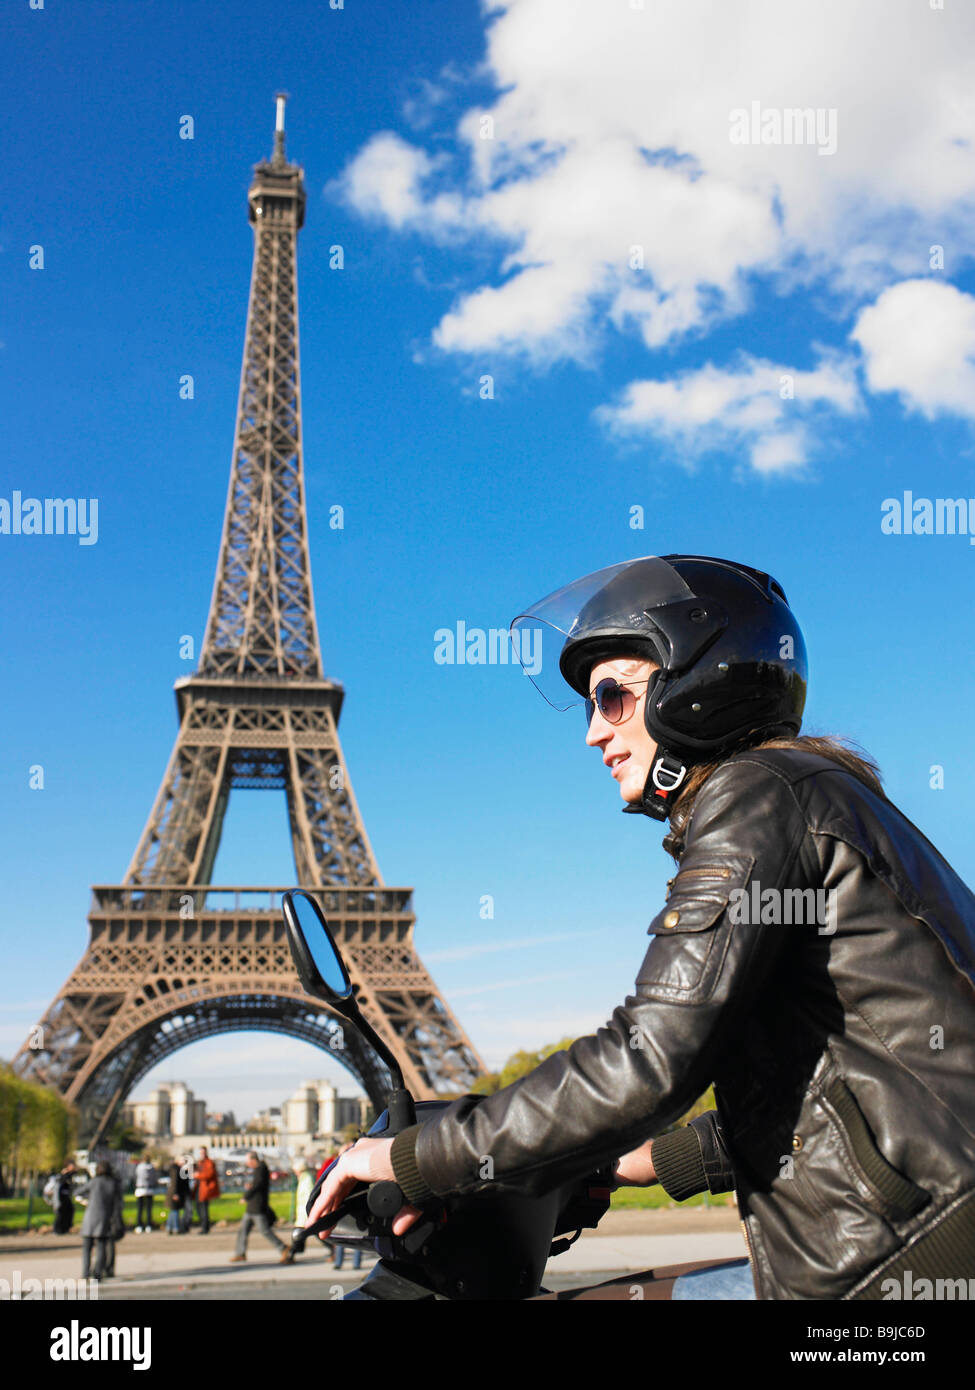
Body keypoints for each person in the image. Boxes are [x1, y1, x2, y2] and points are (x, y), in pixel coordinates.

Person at [307, 554, 975, 1301]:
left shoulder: (754, 794)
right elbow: (831, 1102)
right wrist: (620, 1166)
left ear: (696, 683)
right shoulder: (812, 795)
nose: (593, 732)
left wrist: (412, 1157)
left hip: (907, 1270)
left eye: (610, 696)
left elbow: (648, 1058)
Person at [229, 1151, 286, 1262]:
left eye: (248, 1161)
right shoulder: (259, 1169)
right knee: (243, 1230)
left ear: (253, 1160)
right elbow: (257, 1184)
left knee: (264, 1230)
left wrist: (246, 1196)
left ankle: (283, 1248)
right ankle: (240, 1253)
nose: (247, 1164)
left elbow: (258, 1185)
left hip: (257, 1206)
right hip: (252, 1206)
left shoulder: (261, 1169)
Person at [79, 1161, 123, 1281]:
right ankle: (97, 1273)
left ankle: (85, 1273)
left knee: (87, 1248)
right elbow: (118, 1203)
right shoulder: (112, 1184)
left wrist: (87, 1199)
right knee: (101, 1247)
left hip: (90, 1218)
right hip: (104, 1218)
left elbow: (78, 1191)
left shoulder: (94, 1182)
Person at [193, 1146, 220, 1234]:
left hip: (205, 1189)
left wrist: (197, 1175)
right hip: (199, 1188)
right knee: (199, 1208)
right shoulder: (200, 1163)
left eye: (203, 1152)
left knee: (203, 1209)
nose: (202, 1154)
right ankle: (205, 1225)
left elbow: (209, 1174)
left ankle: (205, 1227)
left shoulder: (209, 1163)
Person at [165, 1157, 190, 1234]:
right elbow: (175, 1183)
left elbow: (185, 1181)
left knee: (173, 1211)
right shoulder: (176, 1169)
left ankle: (169, 1227)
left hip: (177, 1193)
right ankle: (175, 1227)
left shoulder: (180, 1169)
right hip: (175, 1193)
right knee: (175, 1210)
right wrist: (175, 1193)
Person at [52, 1161, 76, 1235]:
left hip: (66, 1197)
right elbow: (58, 1186)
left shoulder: (70, 1175)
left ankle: (65, 1229)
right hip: (61, 1197)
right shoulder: (62, 1175)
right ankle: (57, 1230)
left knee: (69, 1211)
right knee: (60, 1214)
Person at [134, 1153, 156, 1233]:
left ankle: (139, 1225)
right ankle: (148, 1225)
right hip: (149, 1189)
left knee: (140, 1209)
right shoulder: (152, 1168)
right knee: (148, 1209)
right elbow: (154, 1178)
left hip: (140, 1189)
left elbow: (135, 1177)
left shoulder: (139, 1167)